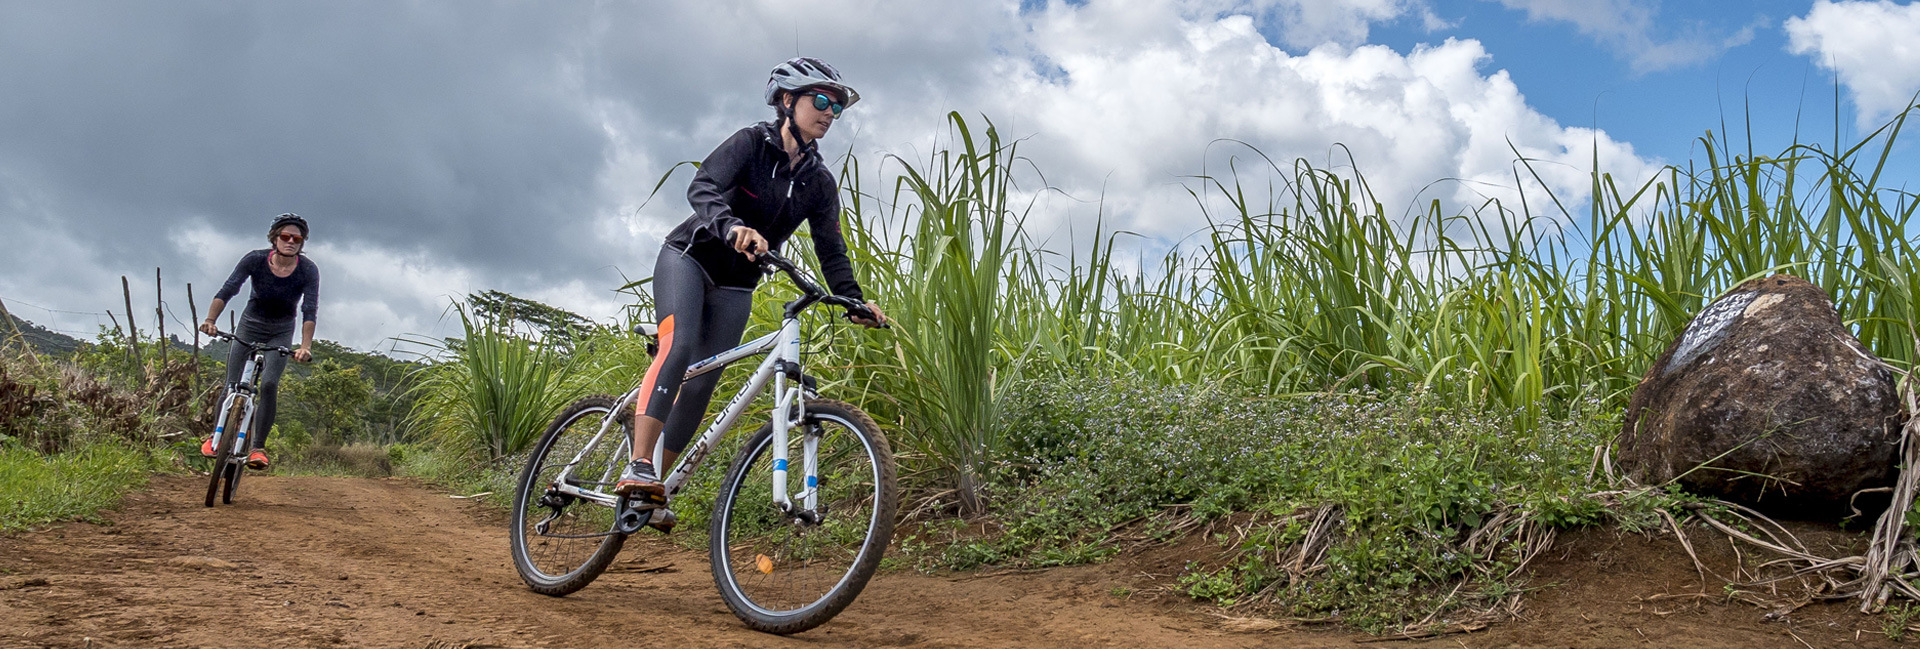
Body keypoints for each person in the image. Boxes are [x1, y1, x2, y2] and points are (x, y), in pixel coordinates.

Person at [614, 57, 886, 504]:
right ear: (786, 100)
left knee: (704, 381)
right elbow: (702, 186)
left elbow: (831, 249)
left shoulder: (818, 182)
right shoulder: (751, 143)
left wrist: (853, 300)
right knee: (678, 347)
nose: (829, 113)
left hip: (738, 285)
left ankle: (649, 490)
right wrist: (730, 226)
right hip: (689, 258)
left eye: (836, 107)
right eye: (821, 101)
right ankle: (639, 462)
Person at [198, 213, 319, 470]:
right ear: (274, 238)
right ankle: (215, 438)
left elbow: (309, 309)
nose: (290, 242)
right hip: (250, 325)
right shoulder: (255, 260)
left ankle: (258, 449)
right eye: (285, 236)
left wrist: (305, 346)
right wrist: (210, 320)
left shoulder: (308, 270)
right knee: (232, 384)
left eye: (296, 239)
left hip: (282, 330)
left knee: (269, 385)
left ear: (302, 243)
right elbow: (228, 290)